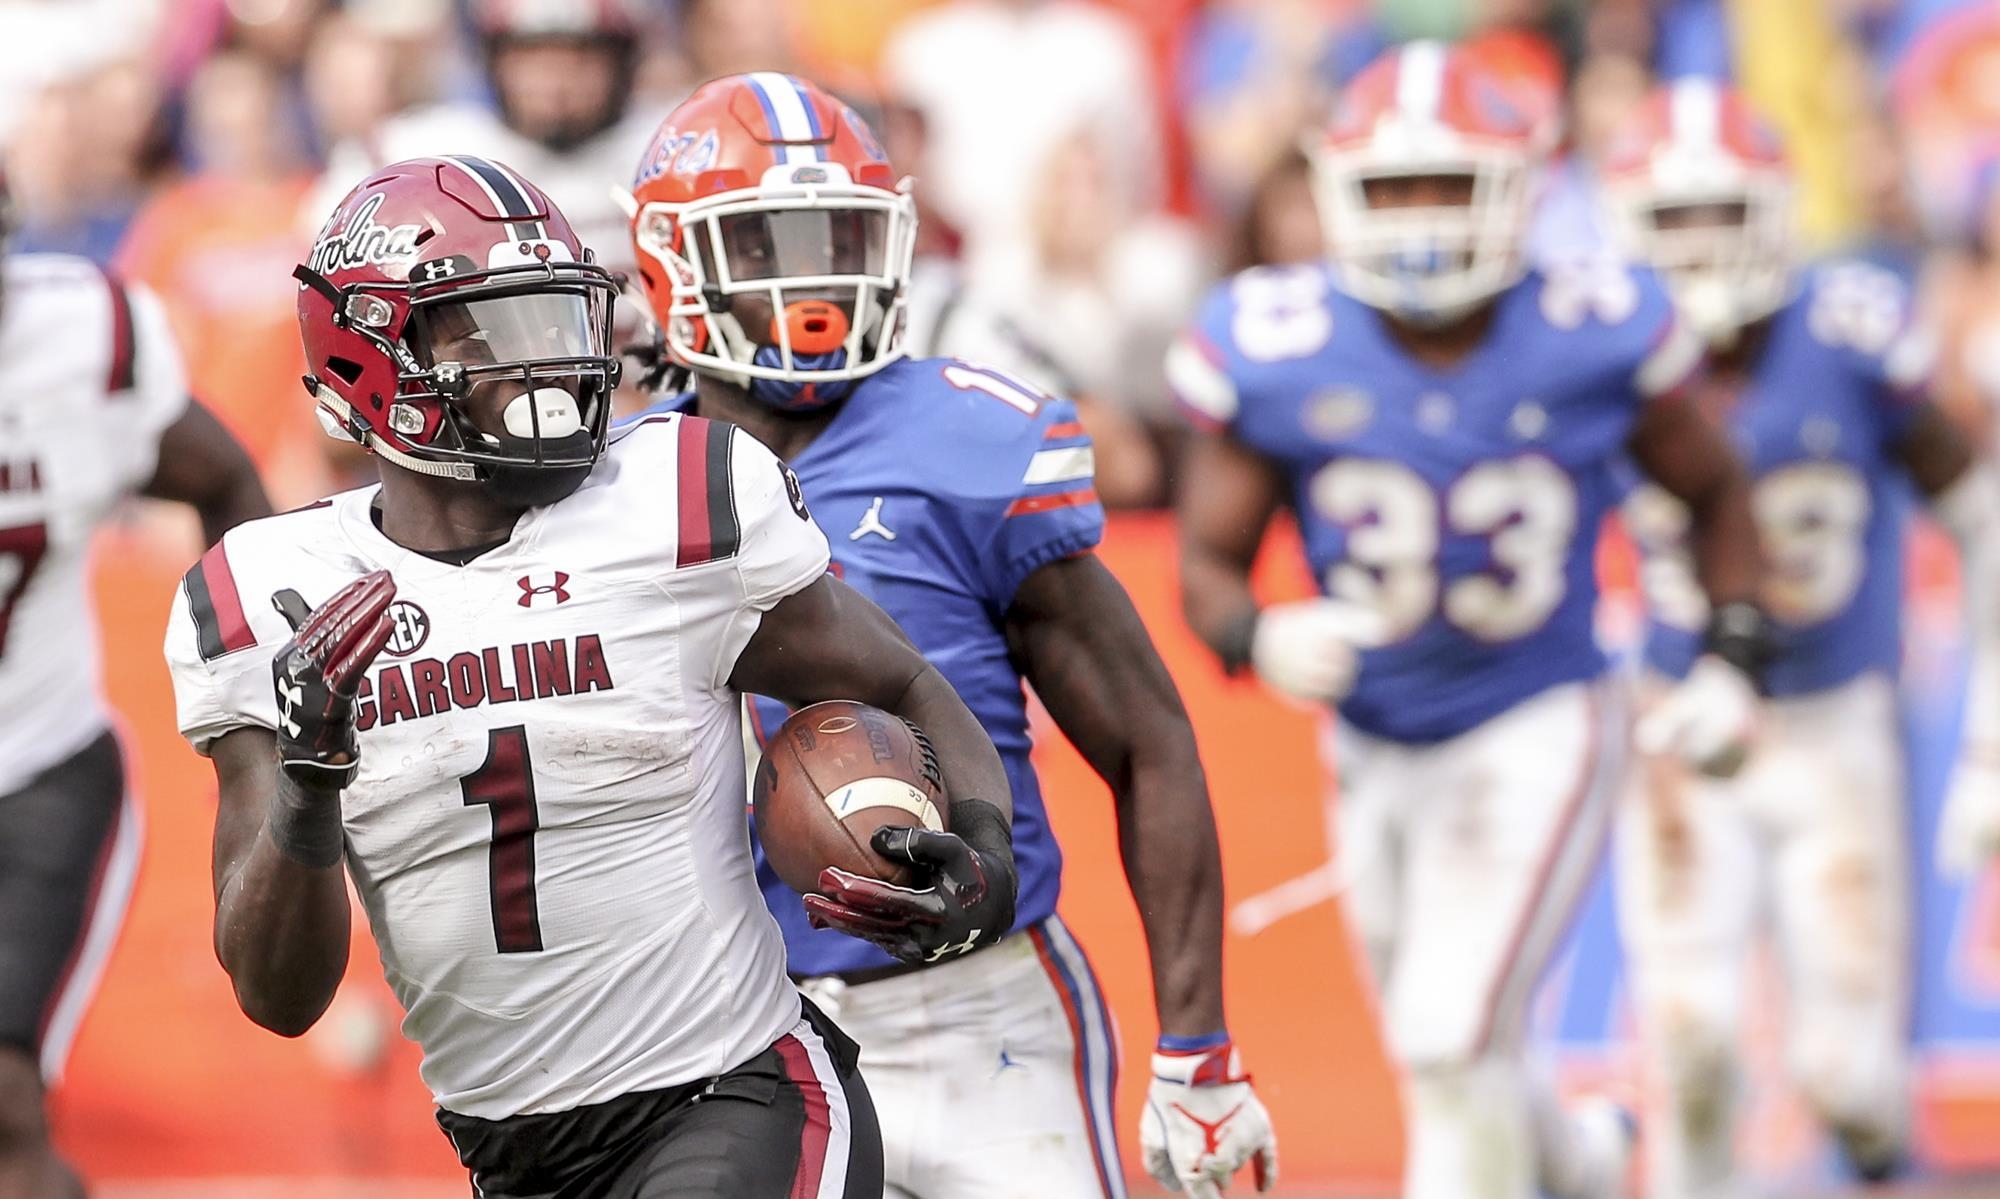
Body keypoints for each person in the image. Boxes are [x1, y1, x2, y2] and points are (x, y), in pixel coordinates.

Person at [162, 155, 1022, 1199]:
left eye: (560, 322)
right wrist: (309, 782)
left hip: (735, 1089)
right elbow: (279, 995)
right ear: (369, 357)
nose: (553, 371)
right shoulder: (270, 592)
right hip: (507, 1152)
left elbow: (906, 684)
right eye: (496, 334)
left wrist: (981, 853)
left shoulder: (675, 502)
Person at [624, 74, 1278, 1198]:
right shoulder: (619, 488)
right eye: (770, 244)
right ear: (672, 262)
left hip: (985, 1009)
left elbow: (1146, 741)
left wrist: (1196, 1046)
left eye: (838, 239)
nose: (813, 280)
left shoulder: (969, 440)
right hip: (738, 1031)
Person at [1168, 42, 1767, 1199]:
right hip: (1374, 737)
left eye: (1447, 183)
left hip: (1535, 715)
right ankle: (1582, 1162)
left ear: (1521, 187)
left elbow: (1714, 488)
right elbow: (1206, 559)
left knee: (1450, 1035)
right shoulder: (1274, 339)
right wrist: (1254, 634)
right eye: (1394, 186)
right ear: (1334, 189)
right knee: (1444, 1041)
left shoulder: (1592, 323)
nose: (1420, 217)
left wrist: (1731, 653)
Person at [1604, 79, 2000, 1192]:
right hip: (1680, 724)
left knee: (1849, 1074)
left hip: (1831, 723)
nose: (1696, 249)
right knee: (1686, 1040)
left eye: (1719, 215)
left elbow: (1980, 514)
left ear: (1775, 213)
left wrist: (1987, 741)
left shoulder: (1848, 331)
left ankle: (1878, 1157)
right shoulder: (1599, 352)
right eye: (1670, 220)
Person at [0, 165, 270, 1197]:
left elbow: (225, 477)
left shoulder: (84, 343)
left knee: (6, 1097)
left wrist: (255, 689)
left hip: (37, 763)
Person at [308, 0, 655, 274]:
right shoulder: (423, 149)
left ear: (623, 64)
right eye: (534, 61)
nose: (557, 83)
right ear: (493, 62)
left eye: (580, 60)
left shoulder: (660, 147)